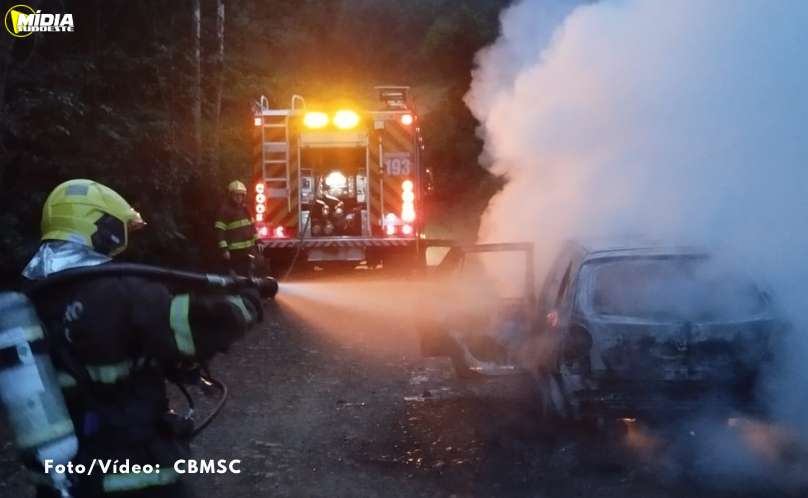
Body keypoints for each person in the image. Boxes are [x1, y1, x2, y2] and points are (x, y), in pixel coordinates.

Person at [21, 179, 263, 497]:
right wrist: (246, 302)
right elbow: (195, 328)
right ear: (100, 226)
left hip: (60, 476)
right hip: (130, 469)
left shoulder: (28, 298)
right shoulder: (121, 290)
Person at [214, 180, 257, 276]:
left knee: (249, 274)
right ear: (231, 195)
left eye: (241, 195)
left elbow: (252, 227)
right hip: (235, 252)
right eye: (236, 195)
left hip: (249, 250)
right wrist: (224, 249)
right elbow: (220, 231)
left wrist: (258, 240)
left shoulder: (246, 209)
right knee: (238, 275)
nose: (238, 197)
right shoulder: (224, 211)